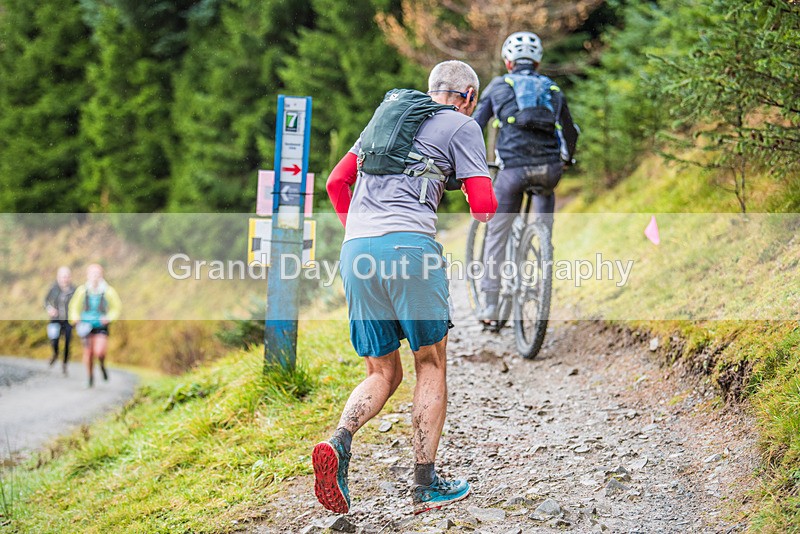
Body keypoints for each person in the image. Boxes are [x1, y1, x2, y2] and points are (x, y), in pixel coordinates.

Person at [316, 60, 497, 515]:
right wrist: (466, 183)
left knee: (381, 372)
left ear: (431, 89)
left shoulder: (385, 120)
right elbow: (484, 208)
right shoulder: (462, 125)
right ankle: (424, 483)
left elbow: (336, 182)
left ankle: (339, 442)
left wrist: (363, 235)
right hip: (410, 249)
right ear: (469, 96)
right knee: (429, 362)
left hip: (356, 251)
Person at [472, 31, 579, 321]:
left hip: (512, 172)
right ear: (537, 62)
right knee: (544, 213)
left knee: (497, 231)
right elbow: (570, 131)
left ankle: (490, 304)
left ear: (508, 62)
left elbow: (474, 127)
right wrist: (567, 159)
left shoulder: (498, 86)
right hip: (549, 170)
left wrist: (471, 163)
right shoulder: (552, 89)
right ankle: (543, 255)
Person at [69, 264, 121, 388]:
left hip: (101, 326)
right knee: (88, 353)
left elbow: (116, 308)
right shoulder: (82, 291)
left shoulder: (108, 291)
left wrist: (109, 318)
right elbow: (74, 306)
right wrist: (75, 317)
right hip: (86, 326)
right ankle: (90, 377)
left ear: (101, 275)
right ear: (88, 275)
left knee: (100, 351)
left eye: (97, 274)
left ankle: (102, 365)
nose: (95, 276)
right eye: (92, 274)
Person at [44, 266, 75, 374]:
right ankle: (55, 354)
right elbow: (46, 301)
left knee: (67, 341)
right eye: (62, 277)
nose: (64, 279)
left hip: (68, 320)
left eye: (66, 276)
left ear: (70, 277)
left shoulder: (74, 290)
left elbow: (79, 304)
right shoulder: (53, 288)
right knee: (54, 340)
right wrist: (50, 309)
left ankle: (65, 363)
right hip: (55, 319)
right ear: (58, 277)